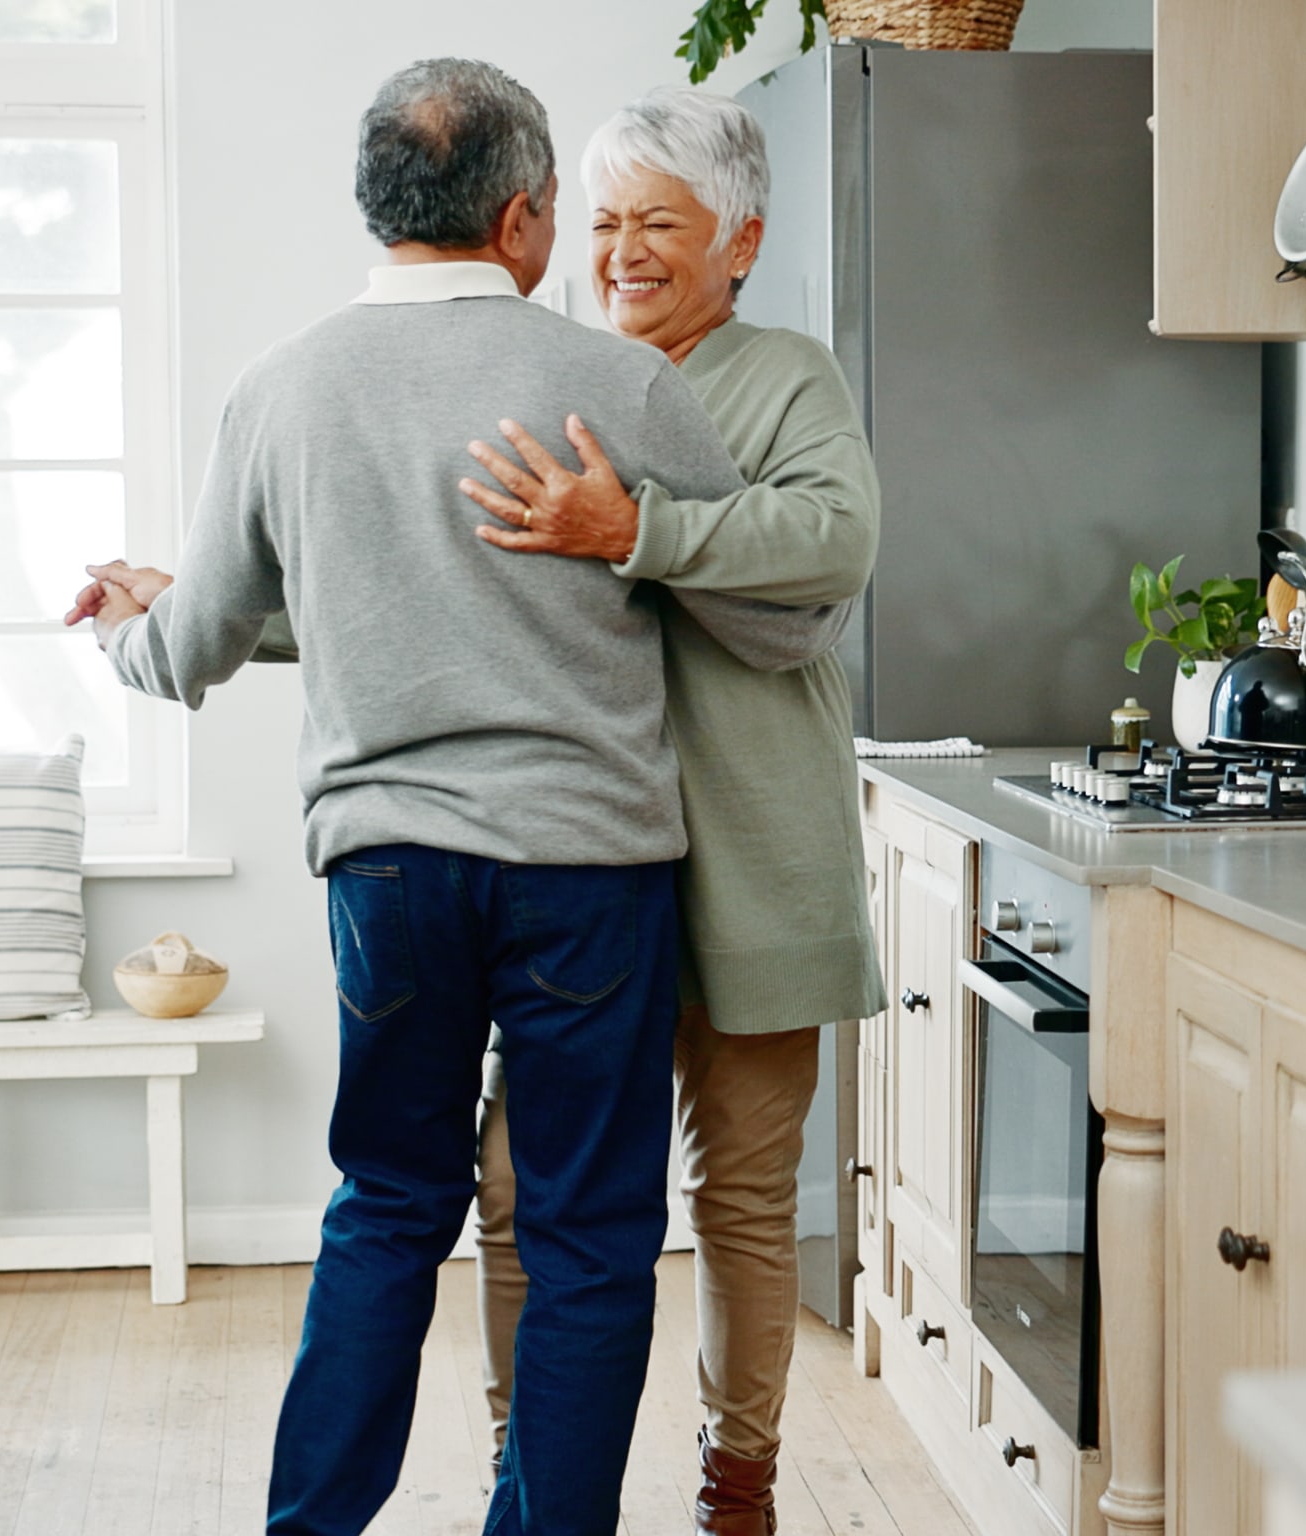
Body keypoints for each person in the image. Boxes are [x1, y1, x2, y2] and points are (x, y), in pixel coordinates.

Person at [60, 59, 859, 1536]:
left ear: (377, 205)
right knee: (589, 1233)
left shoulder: (279, 390)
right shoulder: (616, 384)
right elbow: (775, 621)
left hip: (387, 878)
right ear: (524, 218)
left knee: (387, 1206)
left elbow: (192, 651)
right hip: (589, 874)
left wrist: (124, 625)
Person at [447, 86, 882, 1536]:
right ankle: (529, 1470)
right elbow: (429, 579)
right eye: (608, 223)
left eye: (661, 227)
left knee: (743, 1207)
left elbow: (834, 535)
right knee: (517, 1188)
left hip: (762, 865)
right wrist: (197, 606)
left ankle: (737, 1483)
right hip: (579, 877)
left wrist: (635, 531)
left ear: (739, 241)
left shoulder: (782, 377)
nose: (624, 255)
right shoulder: (555, 374)